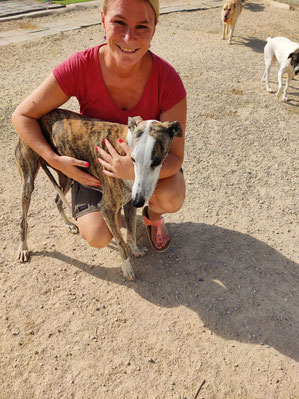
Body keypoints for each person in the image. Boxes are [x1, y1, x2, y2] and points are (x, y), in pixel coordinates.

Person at [12, 0, 187, 252]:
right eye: (119, 22)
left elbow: (176, 157)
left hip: (143, 166)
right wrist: (54, 159)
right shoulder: (80, 66)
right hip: (94, 168)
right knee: (97, 235)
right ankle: (115, 211)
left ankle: (153, 216)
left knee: (172, 195)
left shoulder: (168, 81)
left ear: (154, 28)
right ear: (103, 19)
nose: (129, 37)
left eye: (142, 26)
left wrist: (133, 170)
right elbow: (22, 116)